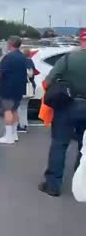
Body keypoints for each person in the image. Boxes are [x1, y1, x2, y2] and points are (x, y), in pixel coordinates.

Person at [39, 28, 86, 197]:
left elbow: (47, 81)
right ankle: (81, 182)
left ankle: (53, 185)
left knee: (59, 144)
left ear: (81, 41)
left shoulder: (68, 59)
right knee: (84, 147)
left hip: (68, 106)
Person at [0, 36, 27, 145]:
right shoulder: (23, 57)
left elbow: (1, 72)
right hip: (20, 87)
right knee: (15, 110)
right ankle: (14, 134)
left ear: (10, 44)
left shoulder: (8, 57)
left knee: (7, 110)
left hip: (8, 87)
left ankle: (8, 136)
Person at [17, 48, 36, 133]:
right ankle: (24, 124)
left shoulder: (26, 61)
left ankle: (21, 125)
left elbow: (30, 73)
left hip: (23, 86)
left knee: (19, 106)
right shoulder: (30, 61)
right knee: (24, 107)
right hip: (30, 86)